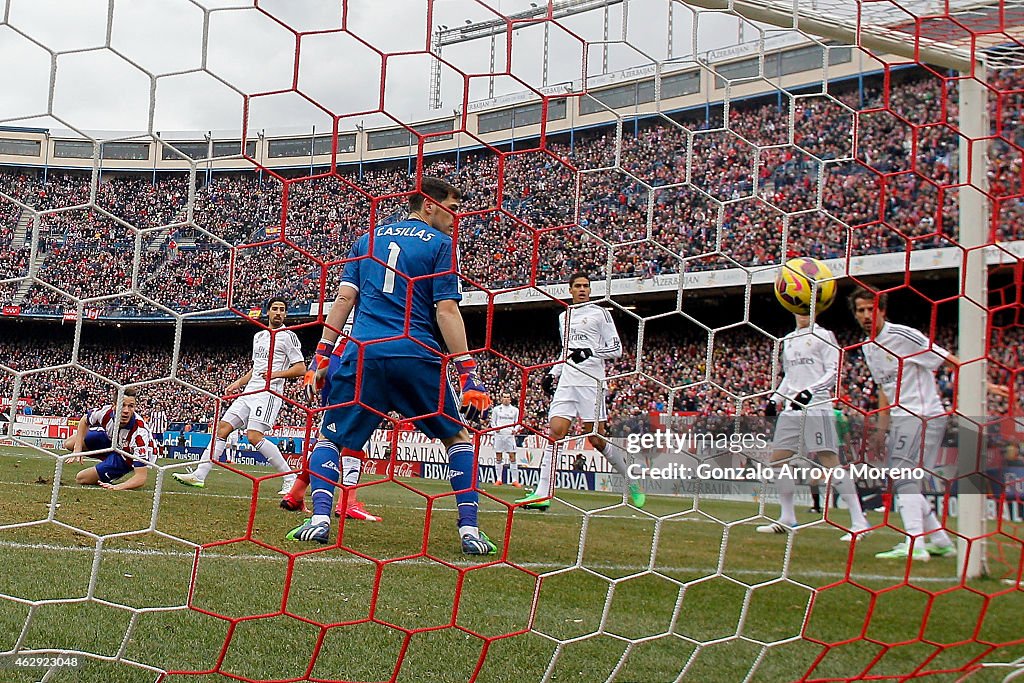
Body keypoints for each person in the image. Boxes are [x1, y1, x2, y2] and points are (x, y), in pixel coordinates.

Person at [285, 176, 496, 555]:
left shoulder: (366, 241)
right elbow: (446, 309)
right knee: (457, 439)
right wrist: (468, 372)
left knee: (330, 438)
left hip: (364, 354)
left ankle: (318, 519)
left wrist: (322, 353)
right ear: (428, 205)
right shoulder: (443, 245)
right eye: (452, 207)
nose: (456, 216)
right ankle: (469, 530)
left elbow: (344, 298)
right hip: (415, 353)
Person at [849, 287, 1009, 560]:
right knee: (903, 477)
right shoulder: (868, 348)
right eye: (861, 310)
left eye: (871, 309)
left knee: (904, 476)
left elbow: (948, 359)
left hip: (923, 414)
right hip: (902, 418)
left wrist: (986, 384)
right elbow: (885, 389)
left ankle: (915, 543)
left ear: (883, 310)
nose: (866, 315)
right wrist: (880, 429)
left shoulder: (902, 335)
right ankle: (940, 540)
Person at [515, 273, 645, 511]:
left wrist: (590, 352)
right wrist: (553, 373)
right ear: (570, 290)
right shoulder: (564, 316)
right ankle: (542, 494)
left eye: (586, 286)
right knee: (555, 432)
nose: (582, 289)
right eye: (578, 286)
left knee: (595, 438)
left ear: (590, 290)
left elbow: (616, 349)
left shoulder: (600, 313)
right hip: (567, 381)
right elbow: (566, 350)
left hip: (591, 382)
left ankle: (630, 478)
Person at [755, 313, 870, 540]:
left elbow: (833, 372)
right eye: (797, 307)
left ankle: (859, 522)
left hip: (818, 406)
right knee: (778, 460)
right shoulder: (788, 339)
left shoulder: (824, 335)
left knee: (829, 461)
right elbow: (789, 376)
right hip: (792, 409)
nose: (801, 312)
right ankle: (787, 518)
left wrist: (811, 390)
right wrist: (775, 399)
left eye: (806, 307)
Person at [172, 297, 305, 493]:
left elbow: (300, 368)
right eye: (275, 309)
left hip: (268, 394)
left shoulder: (288, 336)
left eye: (282, 309)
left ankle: (290, 478)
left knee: (253, 436)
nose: (278, 312)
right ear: (267, 312)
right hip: (250, 391)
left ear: (285, 314)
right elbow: (256, 368)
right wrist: (238, 384)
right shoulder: (259, 336)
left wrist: (274, 375)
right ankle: (199, 475)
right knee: (222, 428)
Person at [281, 311, 380, 522]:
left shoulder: (348, 294)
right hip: (358, 358)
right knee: (355, 431)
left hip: (334, 359)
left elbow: (335, 318)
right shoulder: (375, 293)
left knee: (329, 436)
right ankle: (348, 502)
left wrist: (317, 364)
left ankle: (296, 493)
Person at [64, 388, 158, 491]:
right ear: (114, 406)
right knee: (69, 443)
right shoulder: (106, 413)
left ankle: (111, 467)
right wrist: (78, 449)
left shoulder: (139, 434)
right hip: (112, 440)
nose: (126, 411)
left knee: (81, 478)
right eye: (122, 405)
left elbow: (141, 477)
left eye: (130, 406)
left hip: (126, 456)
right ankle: (108, 458)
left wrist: (119, 486)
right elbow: (84, 420)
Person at [490, 392, 522, 487]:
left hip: (509, 435)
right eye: (504, 397)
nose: (506, 399)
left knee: (512, 456)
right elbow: (493, 421)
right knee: (499, 456)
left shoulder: (515, 410)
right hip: (499, 435)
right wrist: (496, 428)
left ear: (510, 399)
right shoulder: (496, 409)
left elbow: (518, 422)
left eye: (508, 397)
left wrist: (515, 430)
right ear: (501, 398)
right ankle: (499, 479)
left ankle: (514, 480)